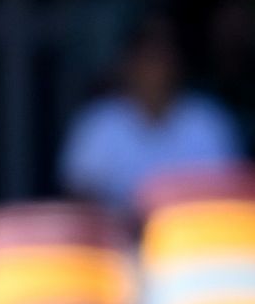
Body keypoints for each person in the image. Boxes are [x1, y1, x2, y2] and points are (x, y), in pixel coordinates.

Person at [58, 15, 244, 215]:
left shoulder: (208, 121)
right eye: (148, 59)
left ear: (178, 64)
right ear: (128, 64)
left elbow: (232, 196)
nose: (155, 71)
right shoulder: (98, 123)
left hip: (195, 238)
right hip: (117, 240)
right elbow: (77, 196)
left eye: (163, 59)